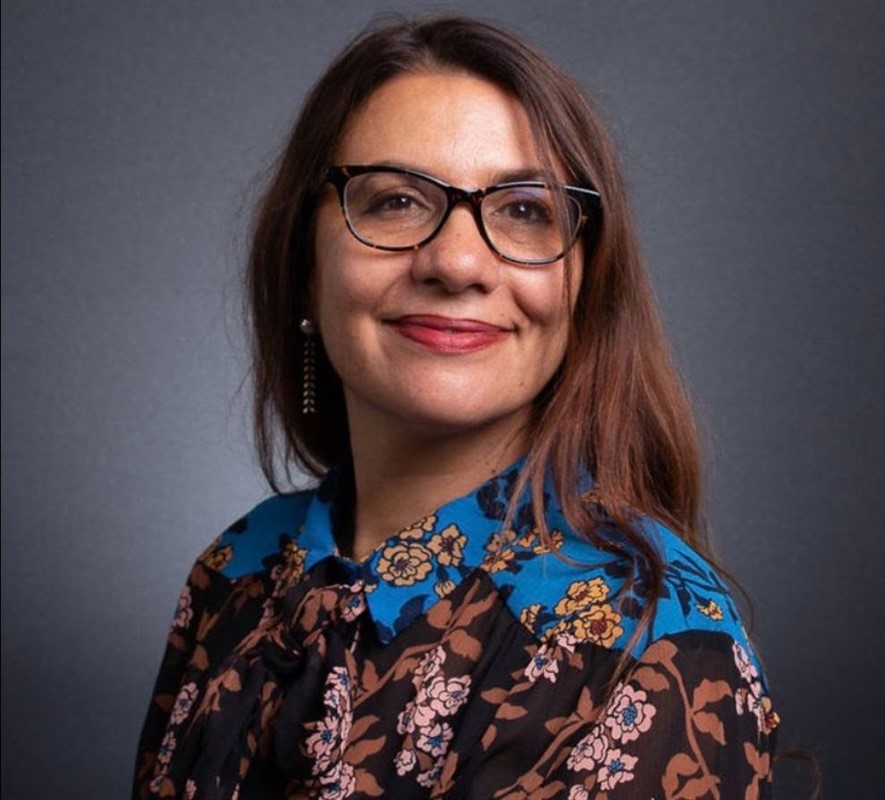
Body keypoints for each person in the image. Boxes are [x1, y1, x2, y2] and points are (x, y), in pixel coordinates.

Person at [134, 15, 778, 800]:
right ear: (304, 265)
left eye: (522, 210)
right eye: (397, 200)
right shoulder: (236, 569)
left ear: (584, 284)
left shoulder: (653, 644)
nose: (457, 262)